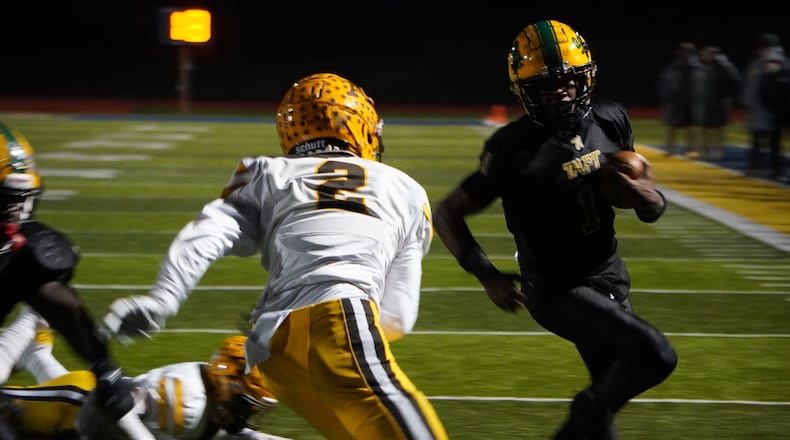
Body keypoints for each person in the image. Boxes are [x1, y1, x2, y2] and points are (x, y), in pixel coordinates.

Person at [97, 72, 448, 440]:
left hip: (273, 351)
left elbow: (209, 231)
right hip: (339, 322)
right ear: (360, 125)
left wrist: (164, 298)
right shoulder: (407, 189)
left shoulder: (266, 171)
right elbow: (399, 317)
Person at [433, 20, 678, 440]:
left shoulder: (610, 118)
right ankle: (585, 408)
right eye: (544, 86)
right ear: (523, 91)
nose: (559, 92)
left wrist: (646, 197)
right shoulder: (511, 147)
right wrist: (486, 274)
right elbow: (448, 213)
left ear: (587, 77)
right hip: (557, 290)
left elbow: (649, 209)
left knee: (599, 419)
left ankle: (586, 415)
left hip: (610, 274)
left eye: (567, 81)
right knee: (656, 355)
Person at [0, 123, 133, 439]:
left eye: (22, 202)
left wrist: (104, 367)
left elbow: (60, 305)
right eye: (4, 203)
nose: (16, 216)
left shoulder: (20, 250)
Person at [0, 307, 287, 439]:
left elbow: (245, 435)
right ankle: (32, 318)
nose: (249, 414)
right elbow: (119, 405)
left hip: (89, 398)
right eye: (246, 404)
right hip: (77, 405)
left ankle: (35, 348)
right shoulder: (187, 398)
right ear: (226, 386)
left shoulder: (213, 399)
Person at [741, 32, 790, 180]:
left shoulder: (781, 62)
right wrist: (748, 102)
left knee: (775, 142)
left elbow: (780, 88)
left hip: (775, 110)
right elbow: (751, 86)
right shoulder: (756, 63)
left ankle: (776, 169)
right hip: (758, 109)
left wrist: (779, 108)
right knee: (758, 140)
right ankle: (756, 167)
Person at [691, 46, 742, 160]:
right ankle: (703, 150)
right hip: (701, 105)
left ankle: (716, 151)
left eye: (708, 54)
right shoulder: (698, 68)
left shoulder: (722, 69)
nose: (705, 57)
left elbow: (734, 83)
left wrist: (726, 98)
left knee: (716, 129)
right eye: (703, 55)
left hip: (717, 104)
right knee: (702, 129)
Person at [656, 41, 701, 156]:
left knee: (690, 126)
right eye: (683, 51)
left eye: (688, 51)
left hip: (690, 101)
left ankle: (689, 148)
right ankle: (670, 148)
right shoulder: (672, 66)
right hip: (674, 101)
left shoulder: (697, 67)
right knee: (671, 126)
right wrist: (665, 96)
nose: (685, 54)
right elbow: (663, 82)